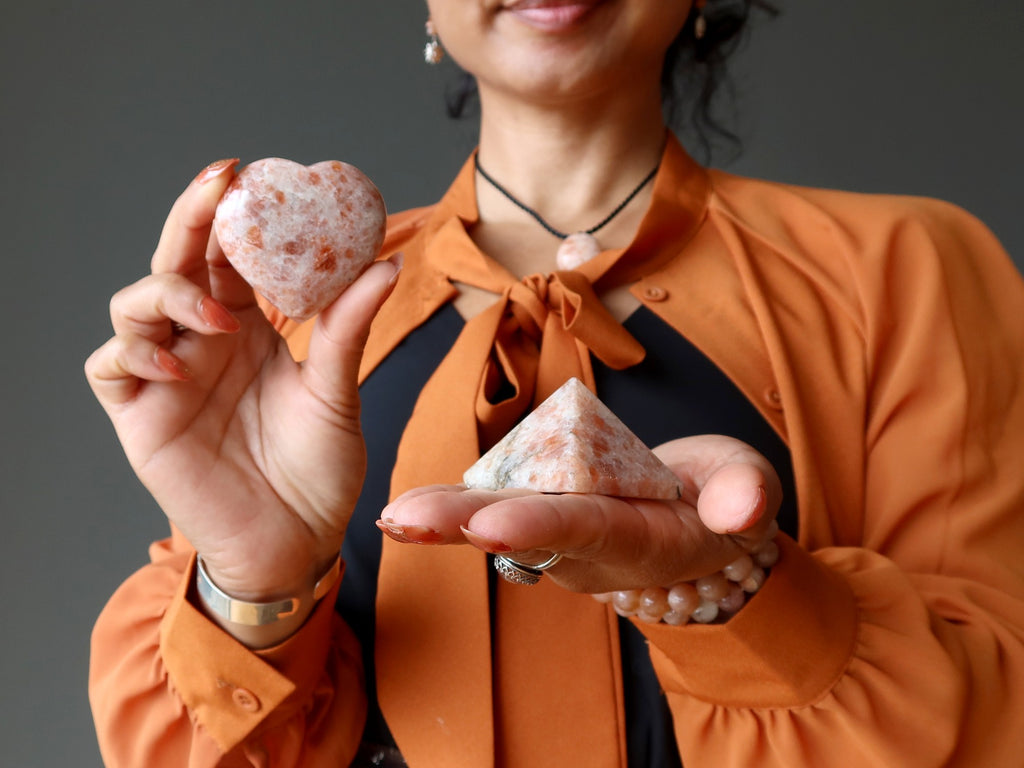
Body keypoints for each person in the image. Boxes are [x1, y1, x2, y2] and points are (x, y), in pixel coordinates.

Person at [85, 1, 1024, 766]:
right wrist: (254, 586)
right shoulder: (282, 319)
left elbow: (995, 715)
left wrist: (729, 588)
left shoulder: (903, 271)